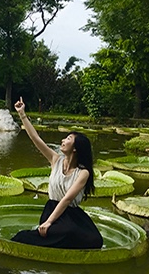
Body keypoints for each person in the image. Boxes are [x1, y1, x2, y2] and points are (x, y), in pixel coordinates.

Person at [11, 96, 104, 249]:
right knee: (59, 233)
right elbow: (35, 138)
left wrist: (49, 222)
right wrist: (22, 114)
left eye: (68, 138)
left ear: (75, 148)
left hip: (72, 214)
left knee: (95, 241)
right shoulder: (55, 159)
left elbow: (67, 200)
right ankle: (28, 237)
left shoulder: (83, 173)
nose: (63, 140)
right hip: (52, 209)